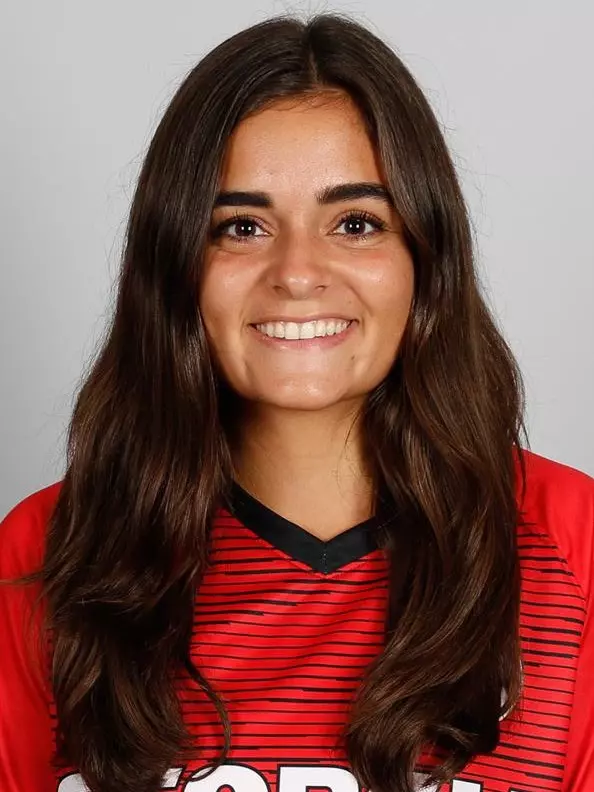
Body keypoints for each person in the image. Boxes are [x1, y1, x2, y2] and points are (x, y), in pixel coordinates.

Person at [1, 12, 593, 792]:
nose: (297, 271)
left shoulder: (568, 545)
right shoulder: (50, 551)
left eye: (355, 222)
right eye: (241, 226)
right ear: (176, 264)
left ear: (425, 258)